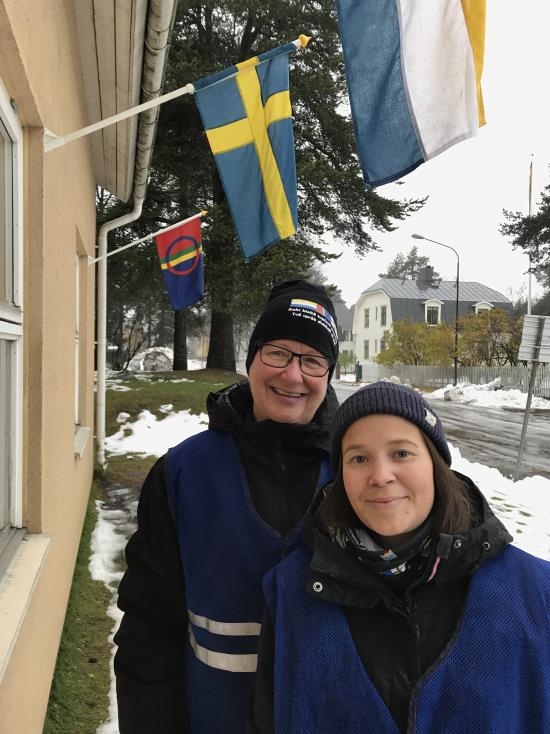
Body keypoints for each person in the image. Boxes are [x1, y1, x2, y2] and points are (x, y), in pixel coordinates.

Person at [249, 381, 550, 733]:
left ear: (436, 465)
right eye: (359, 458)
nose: (380, 476)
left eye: (402, 453)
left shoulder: (536, 594)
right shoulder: (290, 593)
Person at [114, 280, 340, 733]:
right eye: (277, 352)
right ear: (252, 358)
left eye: (313, 360)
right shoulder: (183, 474)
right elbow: (149, 630)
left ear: (329, 375)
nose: (293, 376)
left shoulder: (360, 474)